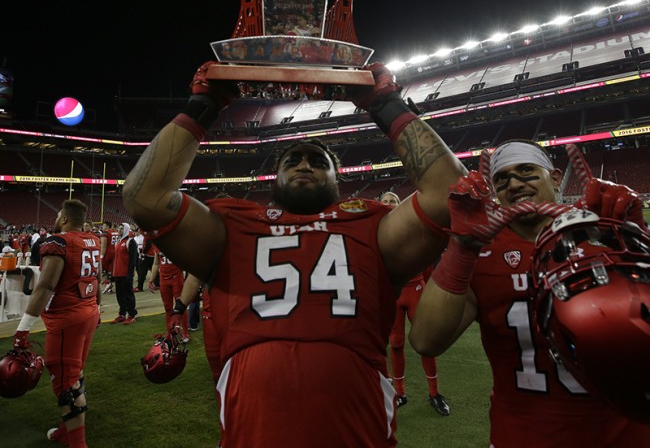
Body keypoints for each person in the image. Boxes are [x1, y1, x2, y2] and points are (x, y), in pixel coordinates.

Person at [122, 60, 466, 447]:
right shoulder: (233, 224)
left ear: (339, 181)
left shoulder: (372, 223)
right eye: (294, 160)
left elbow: (449, 194)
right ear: (276, 177)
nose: (305, 164)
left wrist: (385, 105)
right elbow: (143, 198)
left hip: (356, 422)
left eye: (318, 162)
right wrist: (204, 106)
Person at [409, 140, 650, 447]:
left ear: (555, 176)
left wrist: (637, 238)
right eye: (502, 179)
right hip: (523, 436)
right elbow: (426, 340)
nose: (514, 183)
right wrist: (461, 248)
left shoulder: (608, 235)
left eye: (526, 171)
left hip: (626, 435)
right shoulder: (481, 254)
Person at [12, 199, 101, 447]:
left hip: (67, 320)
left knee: (65, 382)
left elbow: (46, 285)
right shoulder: (92, 240)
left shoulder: (58, 242)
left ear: (63, 219)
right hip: (88, 311)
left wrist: (23, 328)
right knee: (75, 374)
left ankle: (77, 443)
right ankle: (66, 431)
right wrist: (98, 308)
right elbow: (98, 275)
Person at [379, 191, 450, 416]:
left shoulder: (414, 229)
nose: (390, 204)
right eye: (386, 201)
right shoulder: (374, 233)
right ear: (379, 205)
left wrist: (429, 290)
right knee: (396, 343)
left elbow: (427, 263)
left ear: (401, 205)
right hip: (392, 294)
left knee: (424, 343)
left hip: (416, 289)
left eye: (393, 201)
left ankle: (434, 393)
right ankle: (400, 393)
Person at [148, 245, 189, 342]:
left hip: (176, 278)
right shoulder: (157, 245)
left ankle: (185, 333)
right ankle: (170, 331)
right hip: (164, 280)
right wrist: (151, 280)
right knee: (168, 308)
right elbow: (156, 263)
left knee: (181, 306)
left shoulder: (174, 243)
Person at [109, 222, 138, 324]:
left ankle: (131, 314)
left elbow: (133, 260)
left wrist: (130, 274)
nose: (119, 230)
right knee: (119, 295)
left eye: (121, 228)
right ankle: (122, 314)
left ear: (126, 229)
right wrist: (113, 273)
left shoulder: (131, 242)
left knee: (128, 295)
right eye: (118, 228)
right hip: (117, 273)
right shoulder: (118, 242)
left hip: (126, 274)